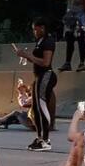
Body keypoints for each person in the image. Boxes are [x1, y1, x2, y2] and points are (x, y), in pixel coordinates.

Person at [12, 18, 57, 152]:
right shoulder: (40, 41)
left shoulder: (48, 41)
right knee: (36, 109)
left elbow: (45, 62)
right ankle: (40, 138)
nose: (34, 32)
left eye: (35, 29)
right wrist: (25, 56)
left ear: (42, 28)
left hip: (46, 75)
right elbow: (37, 60)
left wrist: (28, 56)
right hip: (39, 77)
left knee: (42, 107)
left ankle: (46, 139)